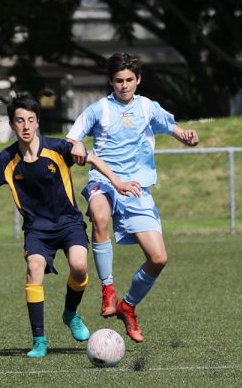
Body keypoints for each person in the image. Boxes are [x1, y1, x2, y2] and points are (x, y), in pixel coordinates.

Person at [0, 93, 141, 358]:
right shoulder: (7, 159)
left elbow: (94, 159)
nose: (25, 126)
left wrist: (118, 183)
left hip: (68, 223)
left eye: (30, 120)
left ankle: (70, 314)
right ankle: (39, 341)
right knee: (34, 266)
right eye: (19, 121)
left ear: (37, 121)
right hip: (37, 230)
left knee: (79, 266)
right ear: (12, 124)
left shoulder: (57, 148)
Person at [66, 52, 199, 343]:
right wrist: (75, 145)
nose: (124, 85)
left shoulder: (149, 107)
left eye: (129, 80)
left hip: (137, 188)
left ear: (138, 80)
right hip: (103, 181)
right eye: (118, 81)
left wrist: (185, 136)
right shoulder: (99, 109)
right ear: (110, 82)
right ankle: (108, 291)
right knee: (99, 215)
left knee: (159, 258)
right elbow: (71, 137)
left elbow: (172, 128)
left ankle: (127, 306)